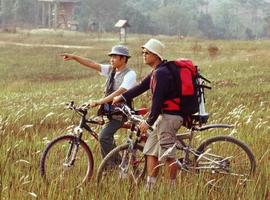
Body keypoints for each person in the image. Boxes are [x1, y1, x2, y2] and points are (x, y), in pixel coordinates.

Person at [113, 39, 183, 189]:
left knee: (168, 154)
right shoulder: (156, 72)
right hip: (163, 116)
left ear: (156, 55)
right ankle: (150, 186)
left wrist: (148, 122)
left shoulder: (161, 74)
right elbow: (140, 87)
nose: (143, 55)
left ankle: (173, 188)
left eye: (147, 53)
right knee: (151, 151)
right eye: (143, 52)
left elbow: (157, 101)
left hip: (170, 117)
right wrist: (122, 97)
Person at [61, 45, 136, 163]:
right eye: (111, 56)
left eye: (115, 57)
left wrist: (98, 102)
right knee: (105, 138)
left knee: (103, 137)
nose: (111, 59)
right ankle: (112, 164)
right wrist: (74, 57)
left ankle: (114, 166)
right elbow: (92, 64)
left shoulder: (130, 74)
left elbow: (119, 92)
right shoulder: (111, 70)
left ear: (123, 58)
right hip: (108, 111)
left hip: (120, 113)